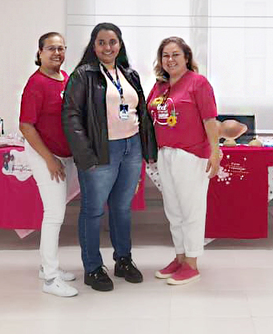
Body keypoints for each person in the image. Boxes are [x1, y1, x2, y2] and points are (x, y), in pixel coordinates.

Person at [62, 22, 157, 292]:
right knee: (93, 211)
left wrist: (145, 149)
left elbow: (141, 113)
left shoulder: (130, 74)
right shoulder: (83, 75)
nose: (108, 47)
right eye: (102, 42)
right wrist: (85, 155)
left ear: (120, 44)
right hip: (100, 151)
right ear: (94, 45)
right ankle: (92, 268)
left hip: (130, 149)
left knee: (122, 209)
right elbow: (70, 117)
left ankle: (123, 260)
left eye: (112, 42)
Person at [146, 37, 221, 286]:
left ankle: (192, 263)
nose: (170, 60)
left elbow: (210, 121)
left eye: (176, 54)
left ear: (186, 57)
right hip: (165, 154)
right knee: (174, 210)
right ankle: (179, 257)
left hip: (191, 155)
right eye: (165, 55)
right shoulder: (159, 87)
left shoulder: (198, 84)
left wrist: (215, 152)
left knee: (191, 210)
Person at [18, 32, 78, 298]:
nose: (57, 53)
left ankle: (47, 266)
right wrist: (49, 159)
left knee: (56, 212)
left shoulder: (66, 79)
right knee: (54, 215)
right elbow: (26, 126)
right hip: (45, 156)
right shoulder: (36, 84)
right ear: (40, 52)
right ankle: (51, 279)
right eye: (51, 48)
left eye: (61, 48)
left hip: (63, 155)